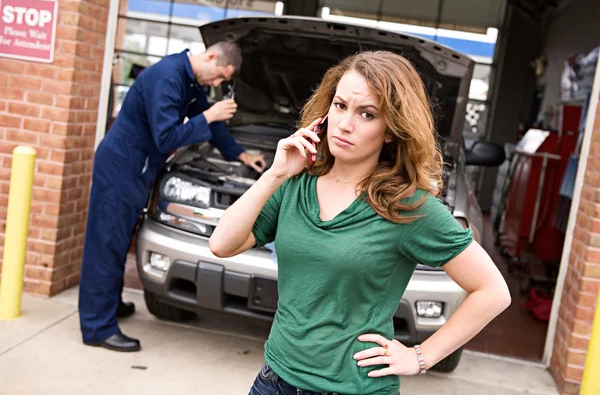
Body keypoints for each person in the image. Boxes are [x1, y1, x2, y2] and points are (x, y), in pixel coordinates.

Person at [209, 51, 511, 395]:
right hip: (274, 381)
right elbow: (222, 244)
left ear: (391, 131)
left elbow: (492, 291)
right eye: (339, 106)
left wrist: (421, 356)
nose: (345, 123)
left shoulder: (408, 206)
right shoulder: (295, 184)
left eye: (366, 114)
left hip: (353, 388)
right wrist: (276, 174)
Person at [79, 42, 266, 352]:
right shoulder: (168, 78)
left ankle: (108, 304)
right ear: (210, 57)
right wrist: (208, 116)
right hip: (121, 169)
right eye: (219, 76)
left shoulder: (190, 80)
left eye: (222, 81)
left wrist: (241, 155)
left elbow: (213, 126)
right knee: (107, 243)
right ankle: (97, 326)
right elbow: (166, 136)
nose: (218, 84)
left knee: (119, 240)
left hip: (138, 169)